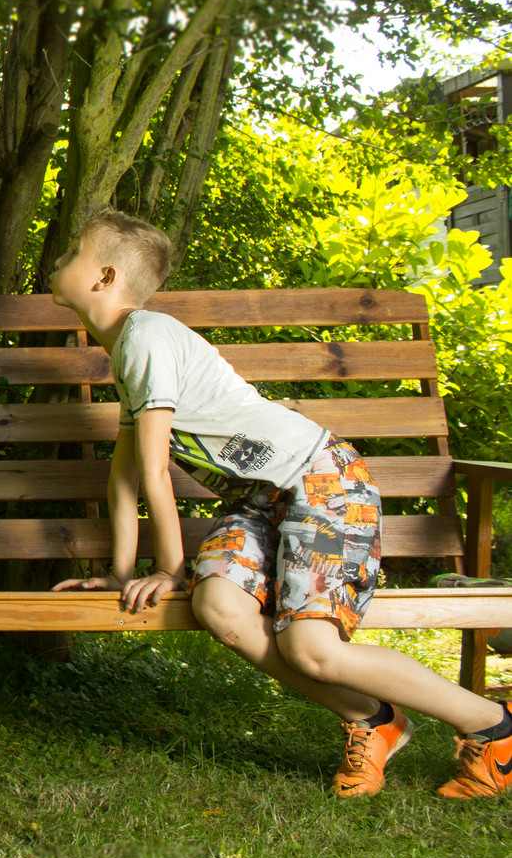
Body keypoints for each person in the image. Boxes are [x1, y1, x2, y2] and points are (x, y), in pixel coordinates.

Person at [49, 208, 512, 799]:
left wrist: (166, 568)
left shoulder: (146, 336)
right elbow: (124, 478)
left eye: (72, 251)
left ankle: (492, 728)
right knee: (220, 608)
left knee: (310, 649)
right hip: (260, 502)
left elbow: (156, 470)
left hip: (322, 483)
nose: (60, 259)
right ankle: (375, 719)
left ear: (104, 277)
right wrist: (116, 575)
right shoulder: (129, 352)